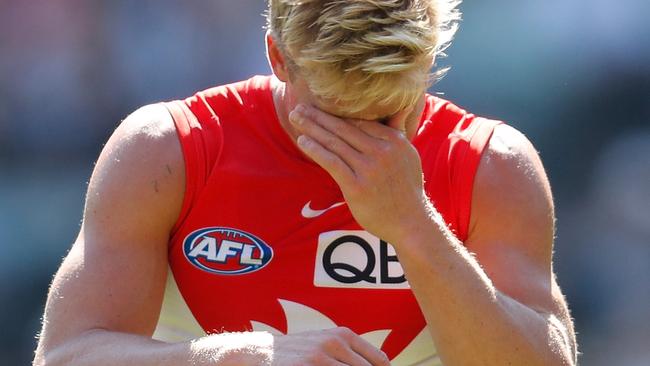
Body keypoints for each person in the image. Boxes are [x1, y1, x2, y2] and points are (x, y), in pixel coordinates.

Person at [33, 0, 577, 365]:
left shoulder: (491, 165)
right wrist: (240, 356)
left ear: (430, 63)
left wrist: (414, 226)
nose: (362, 148)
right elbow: (64, 356)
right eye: (333, 117)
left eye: (389, 116)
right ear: (278, 58)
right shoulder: (170, 150)